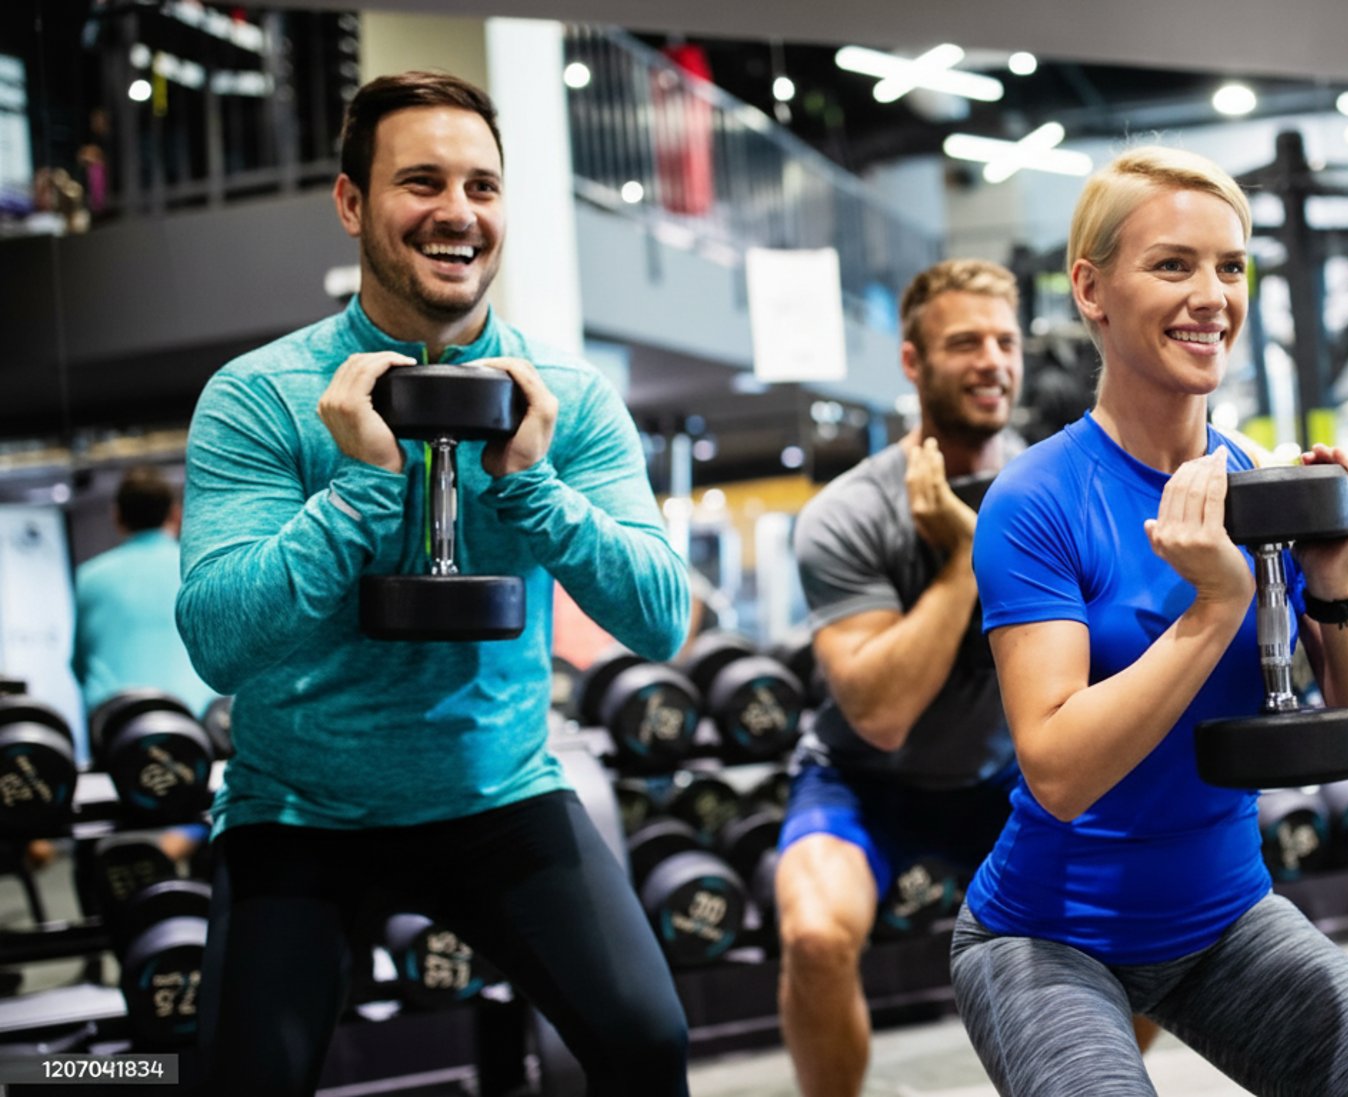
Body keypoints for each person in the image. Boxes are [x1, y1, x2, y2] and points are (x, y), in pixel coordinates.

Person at [176, 71, 692, 1096]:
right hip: (300, 809)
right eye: (421, 182)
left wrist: (536, 488)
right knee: (243, 1080)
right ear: (351, 203)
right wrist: (363, 487)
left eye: (483, 186)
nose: (458, 212)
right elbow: (219, 640)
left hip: (496, 793)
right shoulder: (259, 397)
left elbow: (660, 618)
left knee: (646, 1040)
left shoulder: (569, 399)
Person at [950, 147, 1348, 1097]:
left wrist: (1339, 585)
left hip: (1225, 916)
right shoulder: (1037, 499)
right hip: (1048, 930)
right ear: (1092, 289)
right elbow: (1058, 771)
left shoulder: (1267, 488)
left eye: (1230, 266)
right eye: (1173, 264)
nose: (1212, 296)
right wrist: (1216, 604)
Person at [777, 258, 1049, 1097]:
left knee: (1140, 912)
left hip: (1007, 774)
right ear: (912, 361)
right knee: (817, 936)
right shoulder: (851, 513)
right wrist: (966, 556)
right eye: (965, 342)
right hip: (863, 779)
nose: (993, 362)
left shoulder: (1052, 489)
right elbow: (882, 714)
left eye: (1005, 341)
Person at [71, 466, 215, 862]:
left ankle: (153, 853)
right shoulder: (198, 567)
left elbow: (79, 664)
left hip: (120, 742)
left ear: (117, 516)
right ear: (175, 514)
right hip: (199, 740)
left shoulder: (88, 578)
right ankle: (178, 843)